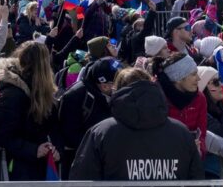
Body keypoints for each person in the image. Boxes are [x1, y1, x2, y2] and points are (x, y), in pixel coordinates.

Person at [69, 67, 204, 180]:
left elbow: (82, 178)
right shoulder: (181, 132)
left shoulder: (101, 133)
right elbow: (196, 178)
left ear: (116, 92)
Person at [0, 41, 59, 180]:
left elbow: (54, 126)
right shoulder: (12, 95)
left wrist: (57, 149)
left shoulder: (41, 90)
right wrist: (34, 150)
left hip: (41, 163)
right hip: (19, 167)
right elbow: (4, 136)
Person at [56, 57, 120, 178]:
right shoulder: (76, 96)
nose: (120, 85)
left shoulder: (110, 94)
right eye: (117, 82)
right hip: (80, 163)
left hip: (104, 159)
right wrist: (99, 147)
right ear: (105, 85)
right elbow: (69, 134)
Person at [154, 52, 208, 157]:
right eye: (193, 74)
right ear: (178, 78)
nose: (198, 78)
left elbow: (202, 134)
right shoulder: (157, 98)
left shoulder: (199, 98)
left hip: (190, 160)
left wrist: (199, 151)